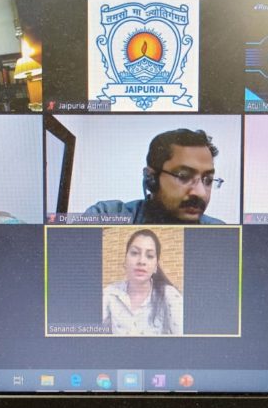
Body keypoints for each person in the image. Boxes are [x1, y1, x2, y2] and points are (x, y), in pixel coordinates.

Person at [85, 129, 225, 224]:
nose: (201, 193)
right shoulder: (106, 215)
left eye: (208, 180)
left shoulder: (218, 232)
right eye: (183, 176)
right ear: (151, 178)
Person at [102, 229, 183, 335]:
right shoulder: (109, 294)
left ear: (156, 266)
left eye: (149, 256)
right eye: (135, 253)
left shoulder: (169, 296)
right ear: (125, 261)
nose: (141, 261)